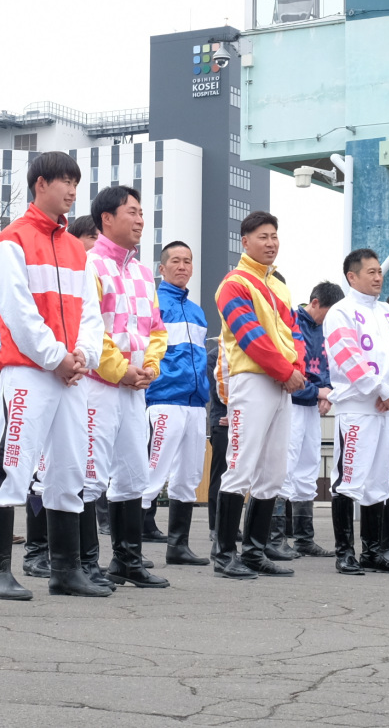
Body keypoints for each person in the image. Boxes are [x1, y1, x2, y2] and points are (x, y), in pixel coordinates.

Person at [0, 151, 106, 599]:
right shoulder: (10, 241)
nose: (73, 190)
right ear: (40, 185)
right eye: (64, 182)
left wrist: (83, 357)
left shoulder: (77, 249)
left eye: (76, 182)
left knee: (70, 470)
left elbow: (92, 314)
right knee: (12, 467)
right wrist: (57, 357)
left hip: (71, 375)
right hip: (28, 372)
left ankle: (65, 570)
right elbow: (16, 312)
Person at [81, 184, 170, 589]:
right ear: (107, 219)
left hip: (135, 388)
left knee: (134, 473)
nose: (140, 219)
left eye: (141, 212)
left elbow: (155, 328)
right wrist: (120, 370)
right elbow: (90, 330)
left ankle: (127, 560)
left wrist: (149, 366)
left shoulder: (142, 271)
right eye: (131, 212)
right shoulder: (89, 265)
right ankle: (84, 563)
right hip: (98, 385)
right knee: (90, 474)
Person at [212, 210, 308, 581]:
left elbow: (294, 334)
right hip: (252, 380)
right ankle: (224, 555)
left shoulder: (279, 286)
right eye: (263, 237)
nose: (270, 243)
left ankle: (253, 551)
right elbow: (250, 336)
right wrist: (287, 372)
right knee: (239, 467)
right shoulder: (233, 284)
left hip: (282, 383)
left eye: (274, 236)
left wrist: (295, 368)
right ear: (245, 242)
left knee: (273, 472)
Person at [326, 250, 389, 575]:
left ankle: (373, 551)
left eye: (379, 272)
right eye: (371, 272)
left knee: (378, 482)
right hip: (357, 409)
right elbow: (348, 358)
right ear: (352, 276)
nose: (378, 277)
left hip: (385, 409)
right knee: (350, 480)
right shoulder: (340, 312)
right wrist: (382, 389)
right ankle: (344, 552)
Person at [143, 241, 210, 567]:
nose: (183, 267)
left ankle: (178, 546)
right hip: (165, 400)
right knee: (151, 474)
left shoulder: (197, 311)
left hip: (196, 404)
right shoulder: (153, 304)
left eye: (188, 261)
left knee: (188, 477)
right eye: (176, 261)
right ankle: (132, 546)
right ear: (162, 268)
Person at [283, 281, 337, 561]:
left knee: (308, 468)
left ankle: (305, 538)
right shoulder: (293, 321)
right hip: (292, 403)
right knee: (285, 466)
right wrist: (318, 392)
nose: (329, 321)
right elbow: (288, 368)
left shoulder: (327, 329)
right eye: (327, 313)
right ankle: (276, 537)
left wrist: (327, 394)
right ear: (314, 303)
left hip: (313, 406)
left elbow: (329, 368)